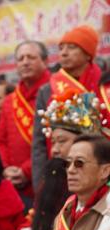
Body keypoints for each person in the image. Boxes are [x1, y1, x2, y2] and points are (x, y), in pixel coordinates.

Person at [32, 25, 101, 192]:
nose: (63, 53)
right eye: (61, 48)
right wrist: (40, 182)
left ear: (87, 54)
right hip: (58, 168)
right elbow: (39, 142)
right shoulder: (47, 90)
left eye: (72, 48)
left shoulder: (103, 86)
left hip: (98, 168)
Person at [0, 41, 51, 204]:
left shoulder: (55, 93)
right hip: (13, 183)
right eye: (20, 59)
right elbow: (1, 141)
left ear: (45, 61)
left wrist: (26, 171)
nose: (25, 62)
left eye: (31, 57)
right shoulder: (9, 101)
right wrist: (7, 168)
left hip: (45, 177)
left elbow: (52, 143)